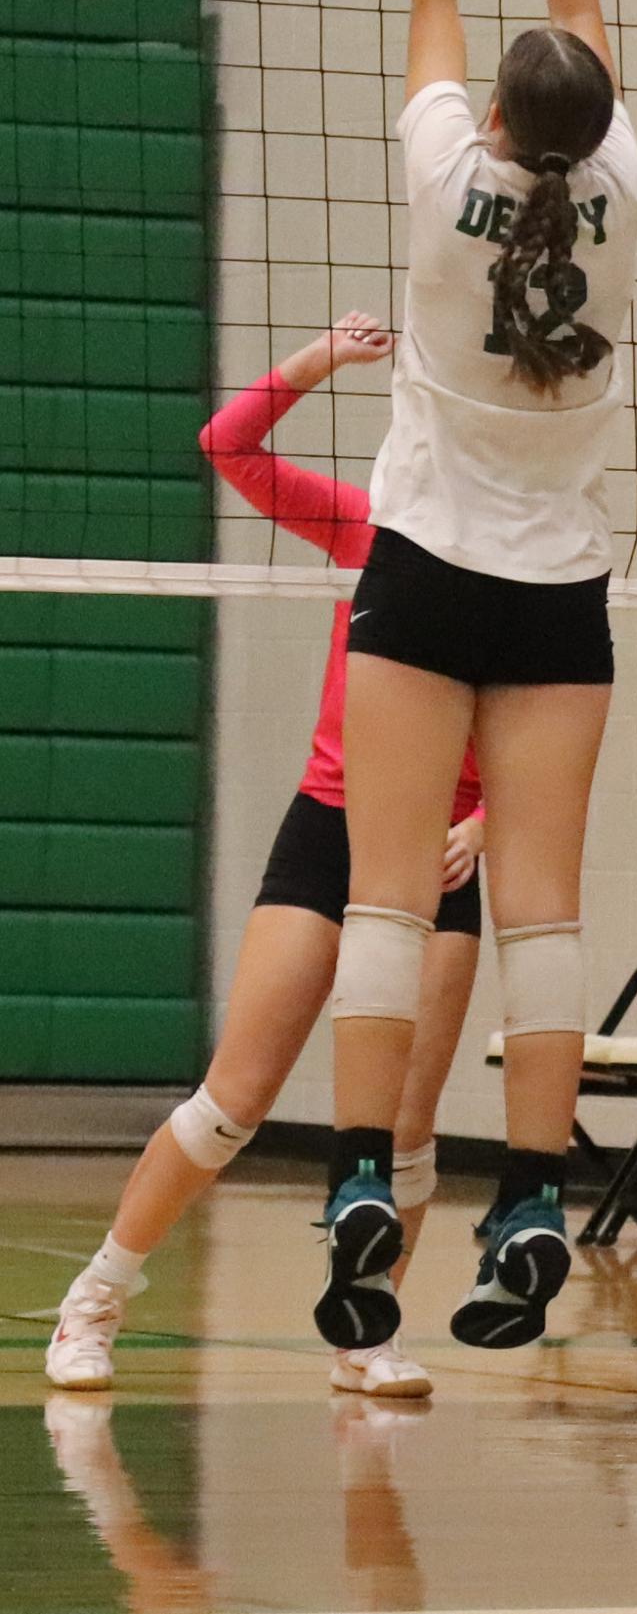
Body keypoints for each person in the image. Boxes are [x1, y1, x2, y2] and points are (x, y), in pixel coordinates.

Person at [315, 0, 637, 1356]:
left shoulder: (448, 172)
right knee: (546, 914)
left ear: (501, 116)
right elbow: (586, 33)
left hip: (427, 570)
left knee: (386, 898)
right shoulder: (620, 184)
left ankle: (365, 1172)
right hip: (559, 599)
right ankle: (529, 1198)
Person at [45, 316, 484, 1397]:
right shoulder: (369, 529)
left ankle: (365, 1333)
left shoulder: (533, 571)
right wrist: (324, 358)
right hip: (334, 826)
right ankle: (96, 1297)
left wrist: (499, 825)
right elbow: (226, 446)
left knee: (407, 1130)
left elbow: (554, 728)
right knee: (235, 1098)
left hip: (442, 856)